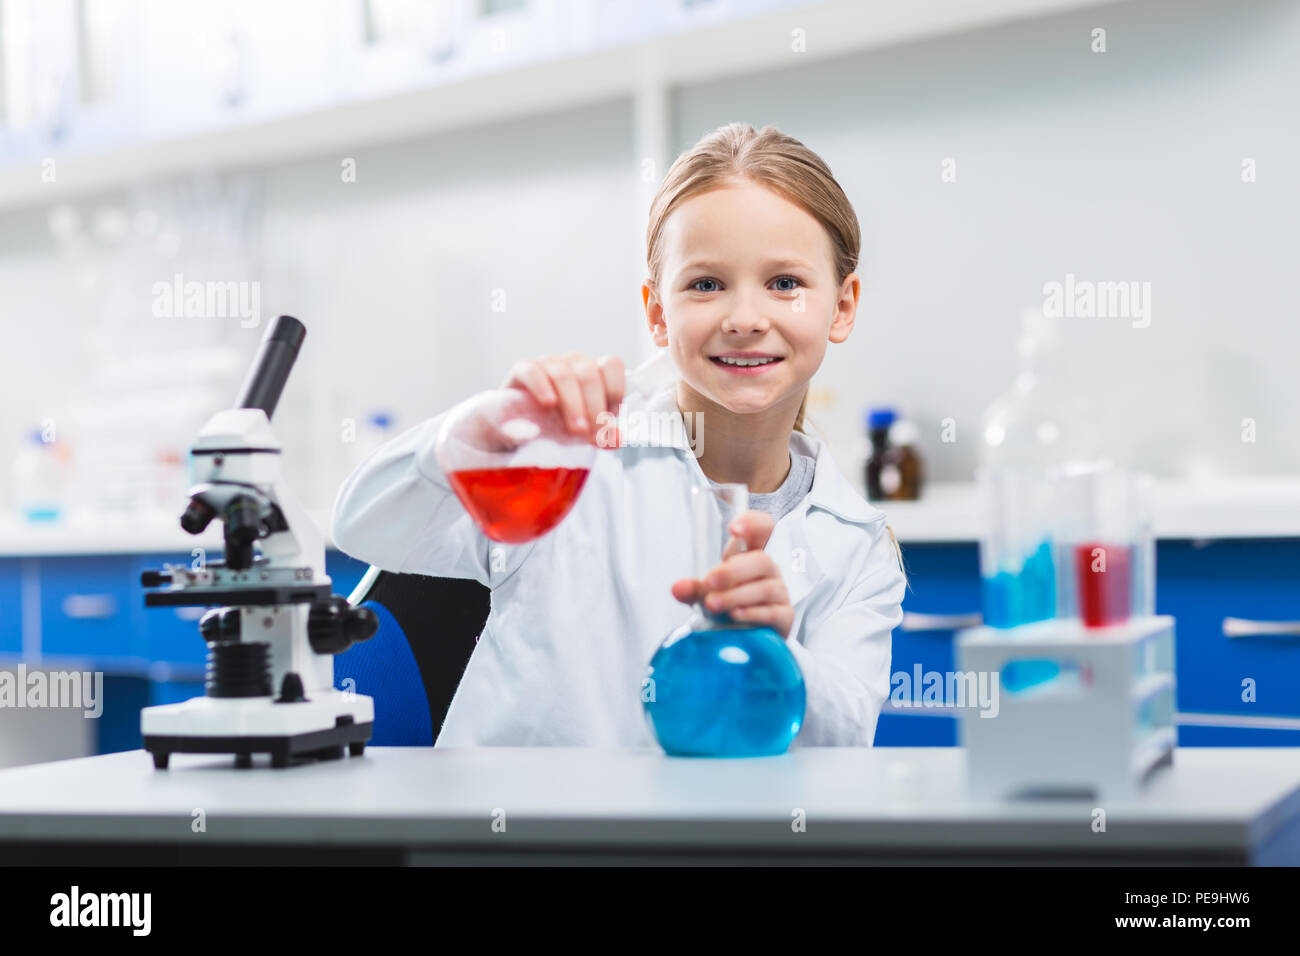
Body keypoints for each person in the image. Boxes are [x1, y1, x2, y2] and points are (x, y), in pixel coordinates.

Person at [331, 122, 906, 748]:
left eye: (785, 283)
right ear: (658, 312)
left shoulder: (858, 546)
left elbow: (846, 742)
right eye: (706, 285)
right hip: (521, 839)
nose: (745, 319)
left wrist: (780, 656)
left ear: (842, 306)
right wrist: (470, 435)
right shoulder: (575, 459)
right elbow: (362, 525)